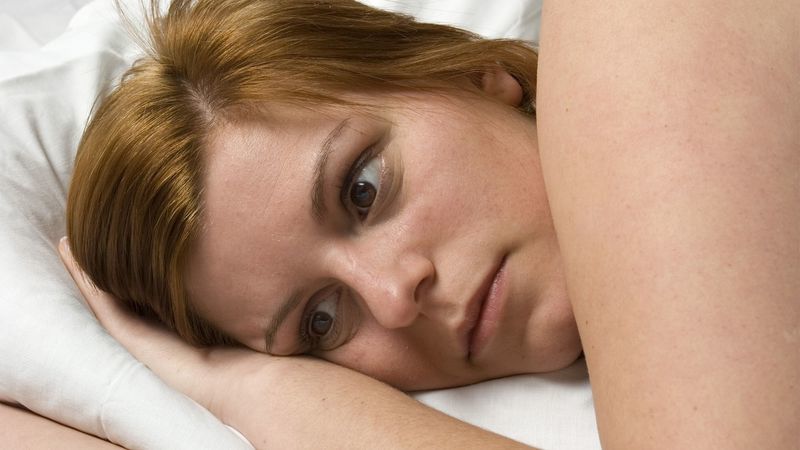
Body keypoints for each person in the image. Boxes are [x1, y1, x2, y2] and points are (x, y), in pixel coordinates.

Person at [29, 0, 800, 448]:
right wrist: (236, 387)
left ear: (470, 73)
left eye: (362, 190)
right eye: (322, 321)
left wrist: (249, 388)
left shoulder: (642, 24)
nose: (396, 297)